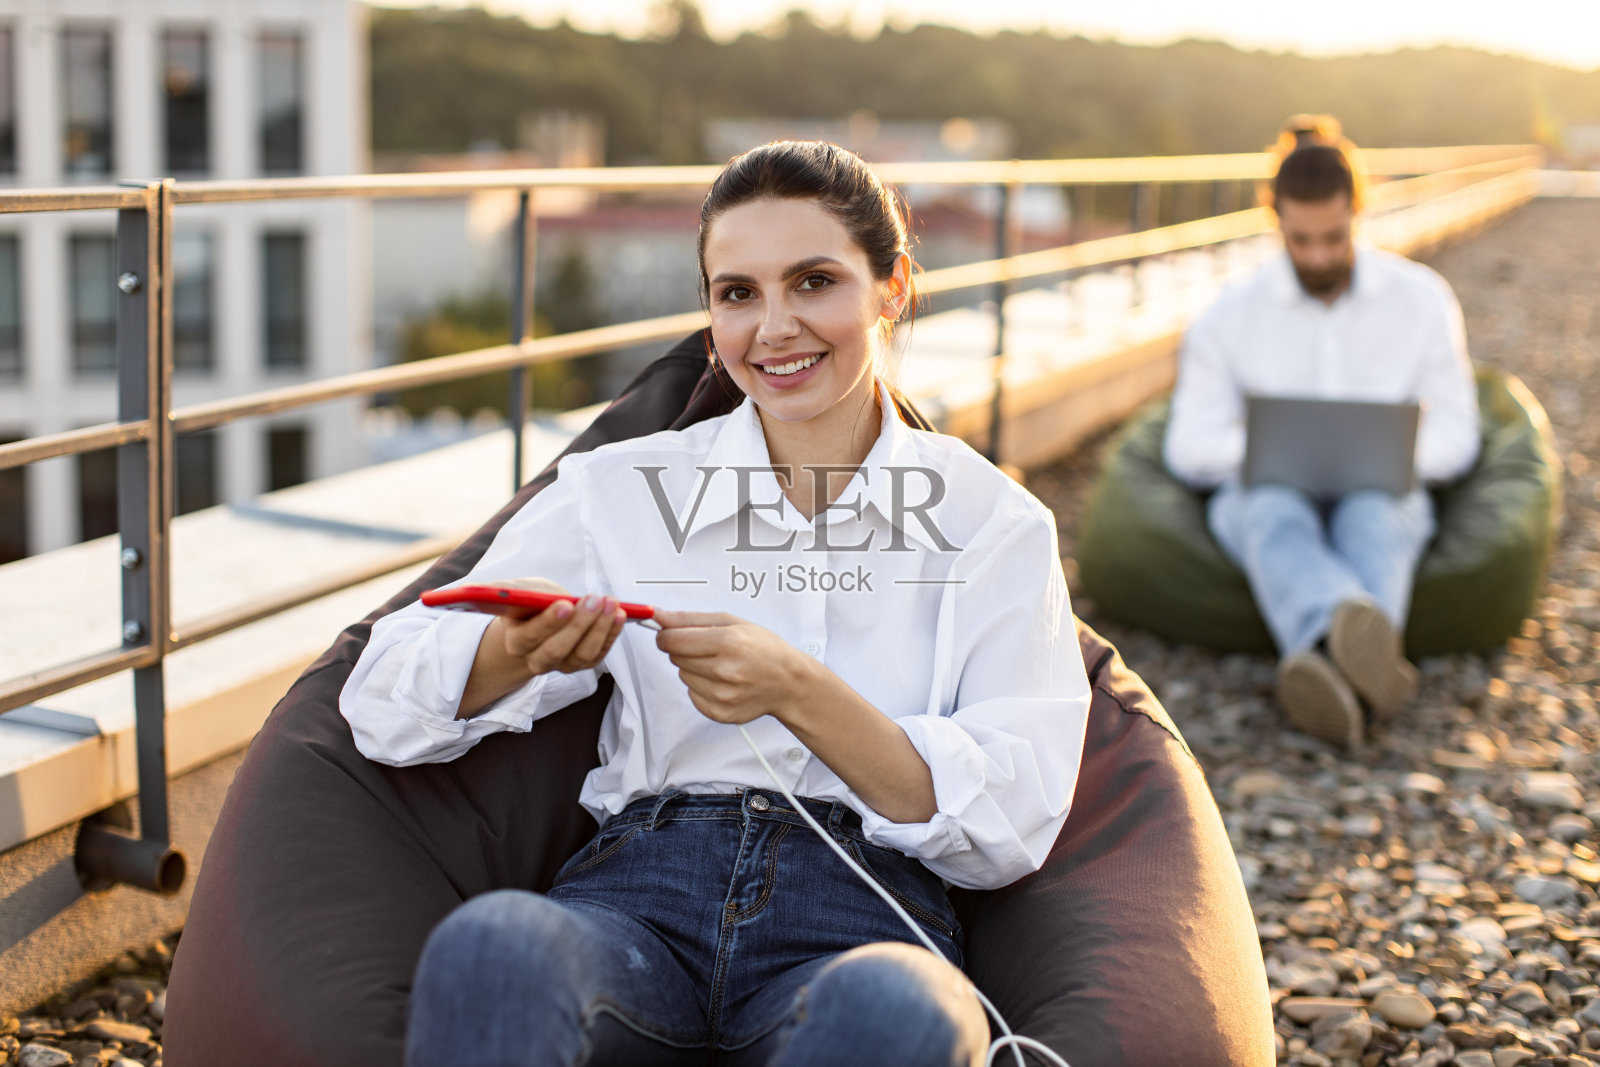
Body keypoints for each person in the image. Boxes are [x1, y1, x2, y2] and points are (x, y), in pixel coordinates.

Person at [339, 140, 1092, 1067]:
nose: (774, 327)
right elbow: (375, 698)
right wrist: (517, 652)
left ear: (891, 287)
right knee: (495, 944)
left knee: (903, 1010)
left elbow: (1014, 819)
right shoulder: (620, 488)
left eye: (814, 281)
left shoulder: (991, 522)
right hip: (638, 903)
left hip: (862, 918)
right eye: (738, 293)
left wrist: (798, 690)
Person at [1163, 115, 1481, 750]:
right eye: (1301, 240)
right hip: (1262, 491)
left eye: (1333, 238)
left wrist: (1393, 457)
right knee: (1271, 511)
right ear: (1274, 219)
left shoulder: (1421, 299)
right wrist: (1270, 455)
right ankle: (1357, 658)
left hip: (1384, 486)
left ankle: (1325, 664)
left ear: (1359, 211)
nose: (1317, 256)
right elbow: (1187, 444)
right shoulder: (1227, 316)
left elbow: (1459, 428)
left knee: (1377, 514)